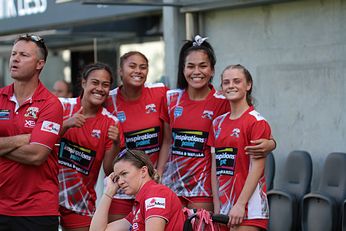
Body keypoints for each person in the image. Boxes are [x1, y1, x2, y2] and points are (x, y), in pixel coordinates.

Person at [160, 35, 276, 211]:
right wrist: (159, 173)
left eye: (203, 66)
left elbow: (249, 121)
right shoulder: (171, 98)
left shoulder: (223, 100)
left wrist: (271, 143)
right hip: (172, 186)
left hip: (204, 188)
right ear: (183, 70)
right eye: (190, 66)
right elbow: (167, 141)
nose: (196, 71)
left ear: (212, 70)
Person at [0, 34, 63, 230]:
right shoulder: (0, 97)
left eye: (24, 55)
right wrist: (22, 139)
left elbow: (37, 155)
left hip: (37, 211)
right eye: (13, 54)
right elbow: (31, 147)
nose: (15, 59)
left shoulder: (51, 104)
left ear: (39, 64)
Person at [57, 62, 123, 231]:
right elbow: (39, 140)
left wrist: (116, 144)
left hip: (81, 202)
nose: (100, 88)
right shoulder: (61, 106)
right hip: (47, 196)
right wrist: (66, 124)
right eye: (95, 82)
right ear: (84, 83)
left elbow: (109, 170)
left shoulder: (111, 122)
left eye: (105, 85)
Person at [105, 51, 169, 221]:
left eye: (143, 67)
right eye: (132, 66)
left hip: (152, 183)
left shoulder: (160, 92)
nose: (138, 71)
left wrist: (159, 171)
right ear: (120, 71)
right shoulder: (109, 100)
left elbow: (167, 139)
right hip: (122, 187)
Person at [209, 64, 271, 231]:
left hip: (249, 209)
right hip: (223, 209)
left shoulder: (257, 121)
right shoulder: (217, 123)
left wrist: (241, 205)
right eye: (226, 82)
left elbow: (257, 168)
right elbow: (215, 168)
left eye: (237, 81)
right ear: (221, 88)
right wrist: (217, 206)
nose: (231, 86)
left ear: (248, 85)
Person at [89, 149, 186, 231]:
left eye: (124, 174)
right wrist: (108, 192)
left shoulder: (156, 193)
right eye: (117, 177)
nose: (120, 182)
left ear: (143, 171)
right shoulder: (139, 205)